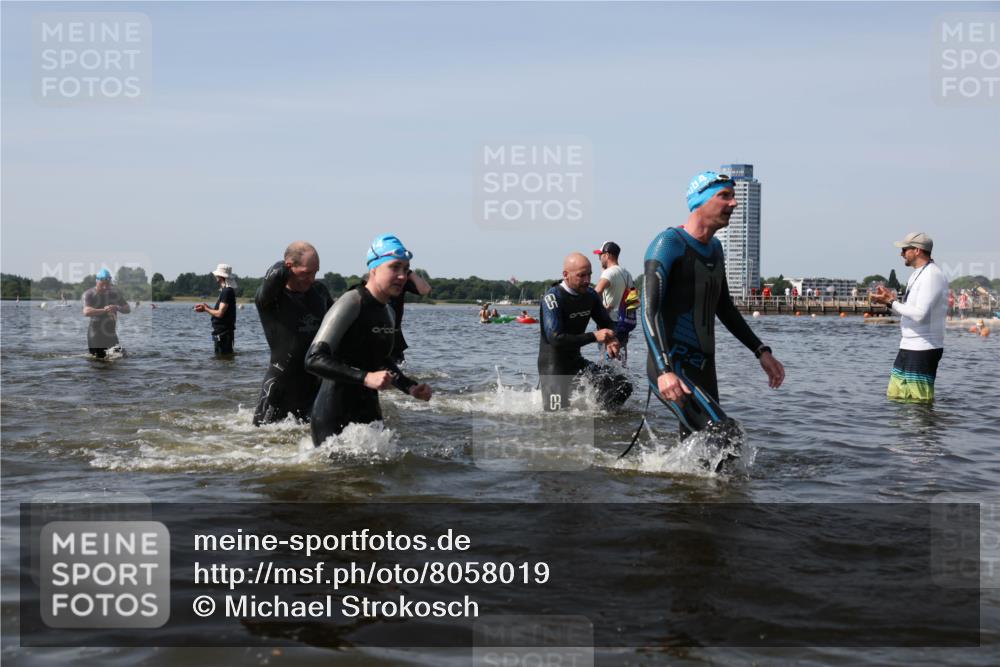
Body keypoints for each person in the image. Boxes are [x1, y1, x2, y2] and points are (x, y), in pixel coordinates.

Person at [642, 171, 784, 438]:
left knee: (700, 448)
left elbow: (725, 308)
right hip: (673, 366)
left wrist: (761, 351)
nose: (734, 203)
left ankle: (674, 478)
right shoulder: (668, 244)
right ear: (699, 201)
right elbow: (649, 311)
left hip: (704, 366)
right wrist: (664, 371)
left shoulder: (716, 249)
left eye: (734, 197)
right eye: (725, 196)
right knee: (724, 434)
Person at [305, 234, 431, 445]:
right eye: (395, 267)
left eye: (406, 270)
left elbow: (380, 360)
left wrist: (409, 387)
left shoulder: (388, 311)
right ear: (374, 269)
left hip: (369, 412)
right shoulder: (351, 302)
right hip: (332, 414)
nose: (402, 276)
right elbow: (313, 359)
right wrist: (366, 378)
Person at [538, 253, 633, 412]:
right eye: (581, 276)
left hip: (576, 361)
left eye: (589, 275)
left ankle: (600, 421)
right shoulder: (553, 298)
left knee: (622, 386)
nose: (587, 280)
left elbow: (607, 322)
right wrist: (594, 337)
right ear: (566, 275)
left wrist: (612, 338)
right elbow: (555, 338)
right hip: (553, 367)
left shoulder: (590, 296)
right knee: (557, 417)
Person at [253, 241, 334, 425]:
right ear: (289, 267)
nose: (312, 278)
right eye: (306, 272)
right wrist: (283, 266)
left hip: (313, 386)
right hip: (280, 386)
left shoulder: (320, 292)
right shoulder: (270, 299)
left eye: (315, 272)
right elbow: (275, 274)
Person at [870, 232, 949, 403]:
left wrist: (892, 302)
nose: (901, 253)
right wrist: (888, 302)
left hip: (924, 347)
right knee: (895, 397)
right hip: (908, 345)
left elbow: (919, 314)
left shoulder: (932, 275)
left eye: (905, 249)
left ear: (918, 250)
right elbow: (907, 310)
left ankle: (925, 430)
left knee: (919, 404)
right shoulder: (917, 274)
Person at [593, 241, 637, 365]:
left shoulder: (609, 273)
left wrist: (601, 310)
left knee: (608, 364)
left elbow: (595, 293)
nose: (599, 258)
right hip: (624, 322)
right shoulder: (626, 273)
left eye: (600, 255)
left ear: (607, 255)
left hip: (610, 322)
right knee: (621, 362)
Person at [81, 268, 131, 358]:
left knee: (122, 356)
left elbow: (127, 309)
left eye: (107, 285)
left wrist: (117, 307)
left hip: (111, 333)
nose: (105, 287)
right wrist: (105, 310)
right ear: (97, 282)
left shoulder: (115, 293)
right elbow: (86, 312)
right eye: (102, 285)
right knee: (99, 360)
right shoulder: (89, 294)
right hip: (95, 333)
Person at [195, 264, 238, 355]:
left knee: (222, 356)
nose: (215, 276)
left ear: (221, 277)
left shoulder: (227, 291)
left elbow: (220, 314)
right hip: (219, 332)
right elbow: (220, 312)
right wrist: (207, 308)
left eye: (217, 275)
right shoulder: (225, 291)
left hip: (224, 333)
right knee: (220, 358)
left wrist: (206, 309)